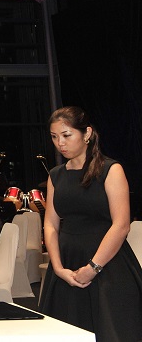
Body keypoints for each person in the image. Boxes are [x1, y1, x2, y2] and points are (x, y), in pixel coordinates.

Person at [39, 106, 142, 342]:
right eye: (54, 137)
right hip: (66, 267)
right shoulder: (55, 175)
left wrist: (93, 268)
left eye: (66, 135)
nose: (60, 143)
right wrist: (57, 268)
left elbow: (121, 225)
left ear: (86, 133)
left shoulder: (110, 170)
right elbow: (51, 225)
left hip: (107, 265)